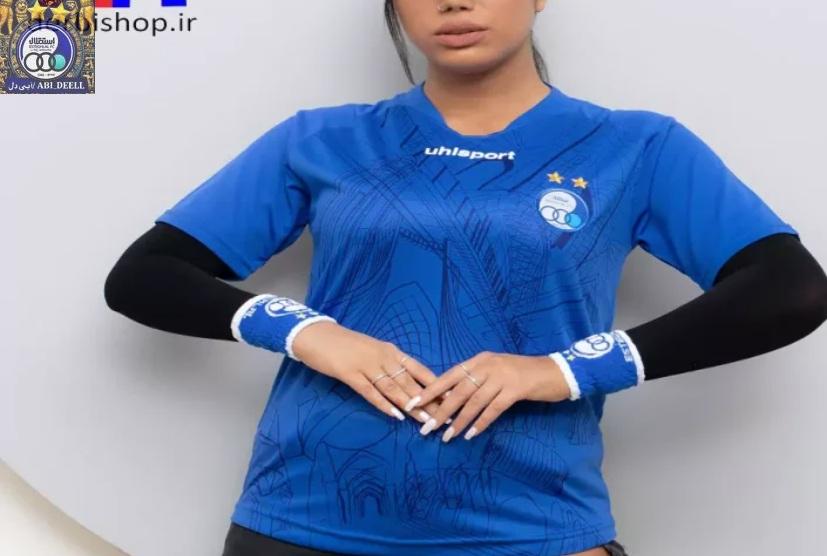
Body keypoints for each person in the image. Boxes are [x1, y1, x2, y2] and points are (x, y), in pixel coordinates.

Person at [104, 1, 827, 555]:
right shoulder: (324, 138)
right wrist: (307, 332)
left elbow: (787, 288)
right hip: (300, 522)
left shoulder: (634, 146)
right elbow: (145, 274)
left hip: (529, 528)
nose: (453, 1)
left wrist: (566, 370)